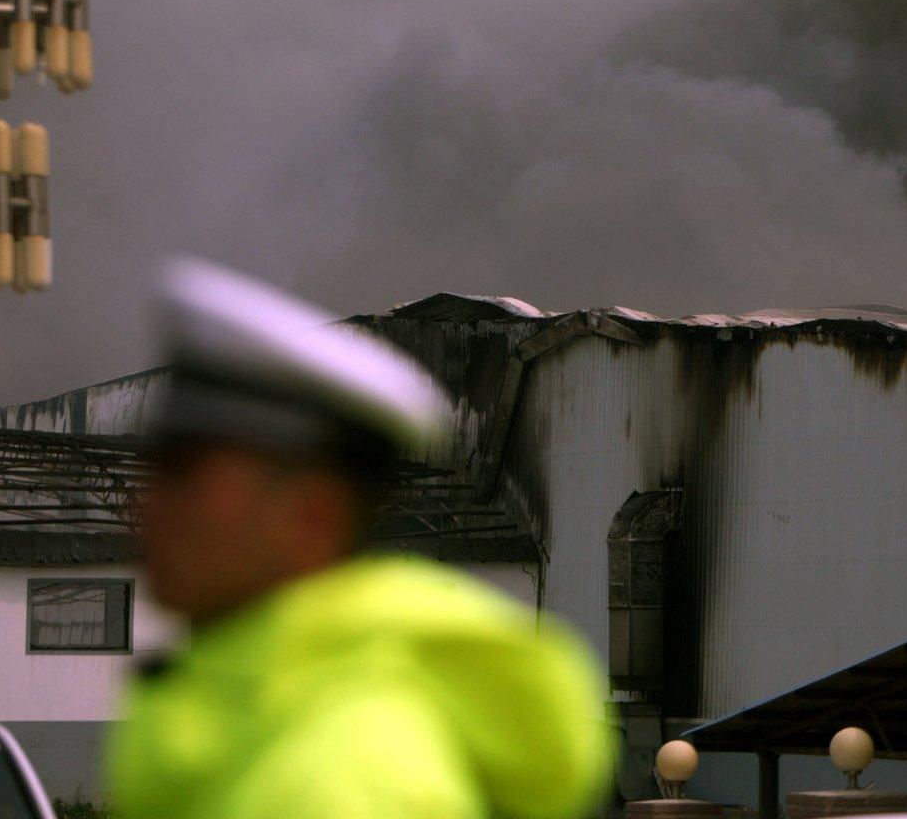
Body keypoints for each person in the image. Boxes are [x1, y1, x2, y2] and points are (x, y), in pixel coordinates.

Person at [106, 259, 612, 819]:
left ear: (312, 516)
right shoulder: (266, 720)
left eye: (184, 476)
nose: (145, 504)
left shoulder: (338, 779)